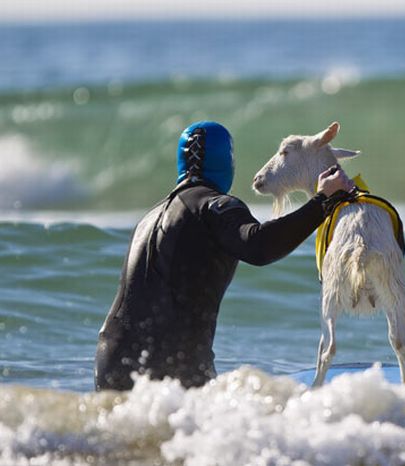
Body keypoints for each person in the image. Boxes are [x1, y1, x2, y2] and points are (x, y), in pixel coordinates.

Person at [95, 121, 354, 391]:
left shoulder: (148, 218)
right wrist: (323, 201)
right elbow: (259, 245)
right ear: (226, 161)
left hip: (111, 359)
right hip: (167, 363)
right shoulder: (215, 205)